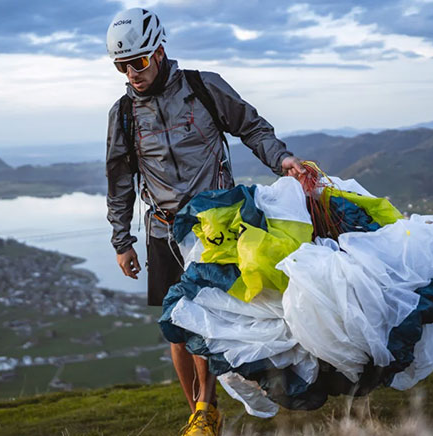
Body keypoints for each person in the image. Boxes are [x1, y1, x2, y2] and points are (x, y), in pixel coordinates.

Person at [104, 8, 305, 436]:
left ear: (158, 52)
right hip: (162, 230)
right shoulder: (123, 114)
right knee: (176, 328)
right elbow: (120, 181)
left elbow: (252, 128)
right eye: (122, 65)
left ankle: (206, 402)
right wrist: (122, 242)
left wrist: (282, 160)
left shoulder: (202, 87)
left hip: (214, 227)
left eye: (138, 62)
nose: (132, 73)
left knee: (208, 318)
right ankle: (199, 415)